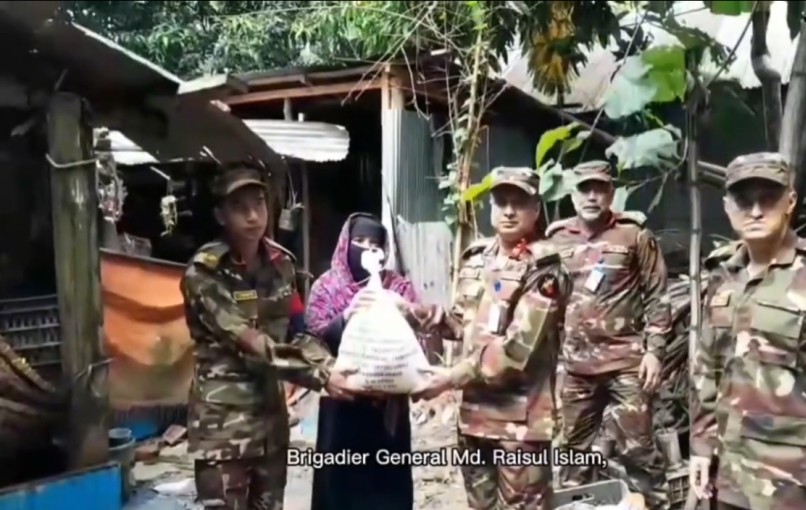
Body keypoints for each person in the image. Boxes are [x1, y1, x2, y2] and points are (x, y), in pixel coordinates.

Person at [690, 152, 806, 510]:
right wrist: (701, 447)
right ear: (727, 207)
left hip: (796, 488)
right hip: (730, 480)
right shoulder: (723, 274)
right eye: (744, 200)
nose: (755, 211)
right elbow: (707, 368)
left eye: (768, 198)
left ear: (790, 202)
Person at [180, 165, 353, 510]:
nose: (252, 215)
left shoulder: (281, 264)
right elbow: (251, 343)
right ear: (220, 214)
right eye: (239, 206)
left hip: (271, 424)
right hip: (224, 427)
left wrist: (335, 366)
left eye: (258, 203)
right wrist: (321, 376)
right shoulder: (204, 273)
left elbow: (298, 331)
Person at [397, 167, 571, 509]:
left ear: (535, 210)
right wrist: (417, 315)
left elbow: (515, 350)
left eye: (518, 203)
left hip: (520, 425)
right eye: (501, 202)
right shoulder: (477, 258)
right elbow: (463, 324)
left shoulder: (546, 270)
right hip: (475, 419)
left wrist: (449, 378)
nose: (508, 211)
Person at [545, 160, 671, 509]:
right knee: (571, 455)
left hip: (626, 365)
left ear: (610, 194)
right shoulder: (556, 239)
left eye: (599, 189)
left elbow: (657, 296)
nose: (591, 196)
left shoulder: (633, 234)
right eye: (584, 189)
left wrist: (655, 351)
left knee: (639, 450)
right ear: (572, 196)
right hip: (574, 369)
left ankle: (655, 505)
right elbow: (546, 303)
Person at [304, 212, 420, 510]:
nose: (367, 249)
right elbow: (313, 339)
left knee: (388, 489)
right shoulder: (326, 287)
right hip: (341, 405)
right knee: (339, 488)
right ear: (345, 243)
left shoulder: (398, 288)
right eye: (359, 241)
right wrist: (346, 317)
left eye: (374, 244)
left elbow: (412, 334)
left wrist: (399, 310)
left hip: (387, 410)